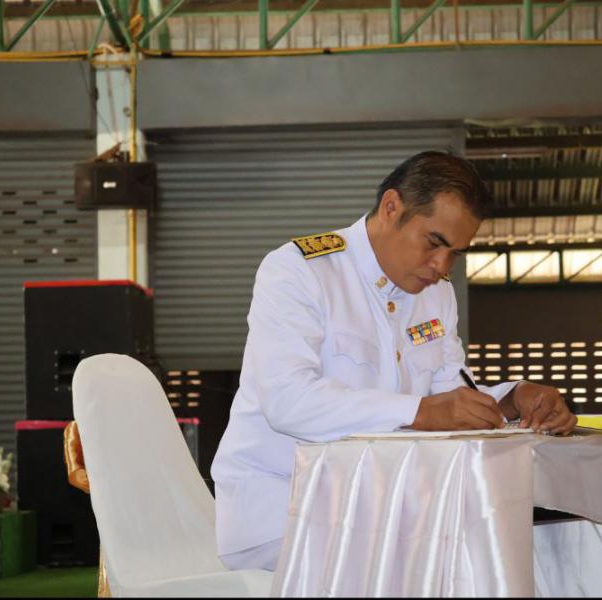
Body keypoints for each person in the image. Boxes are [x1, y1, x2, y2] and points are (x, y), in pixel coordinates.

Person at [212, 151, 577, 571]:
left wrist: (513, 400)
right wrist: (418, 412)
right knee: (466, 563)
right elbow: (288, 401)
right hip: (282, 512)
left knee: (540, 549)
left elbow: (451, 399)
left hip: (382, 510)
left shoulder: (437, 295)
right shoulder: (300, 271)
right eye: (434, 243)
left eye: (455, 254)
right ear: (391, 207)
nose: (441, 266)